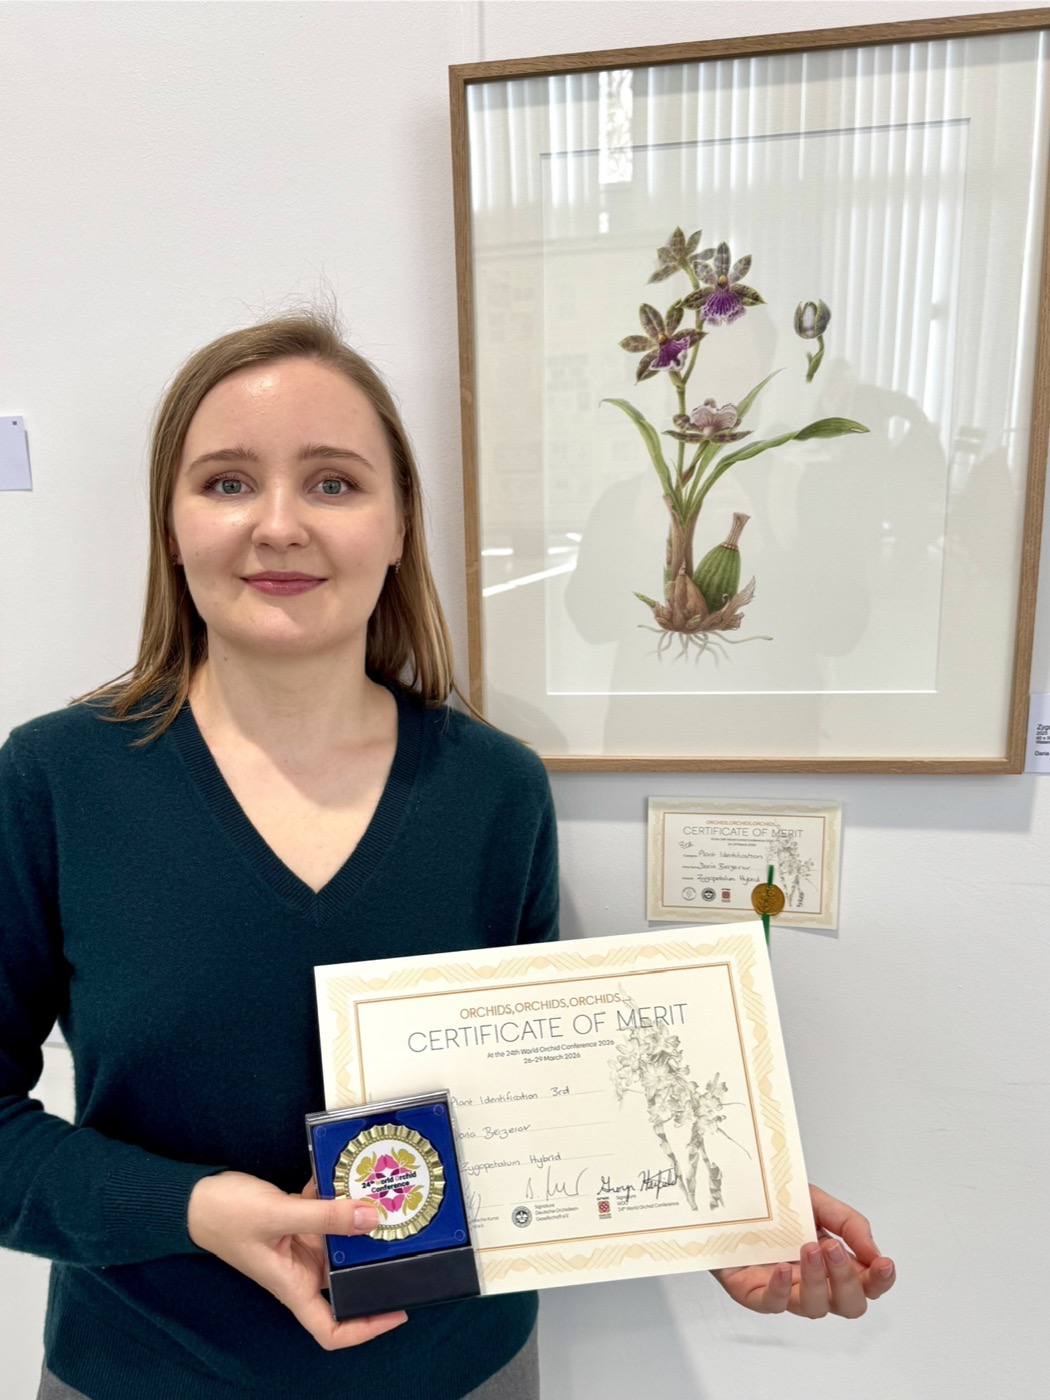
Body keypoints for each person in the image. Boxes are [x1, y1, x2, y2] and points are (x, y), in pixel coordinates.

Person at [0, 312, 895, 1400]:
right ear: (171, 525)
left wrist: (714, 1205)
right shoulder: (57, 780)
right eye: (228, 482)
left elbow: (544, 1095)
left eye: (333, 483)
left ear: (398, 523)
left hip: (459, 1370)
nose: (278, 524)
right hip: (143, 1370)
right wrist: (191, 1209)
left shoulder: (493, 790)